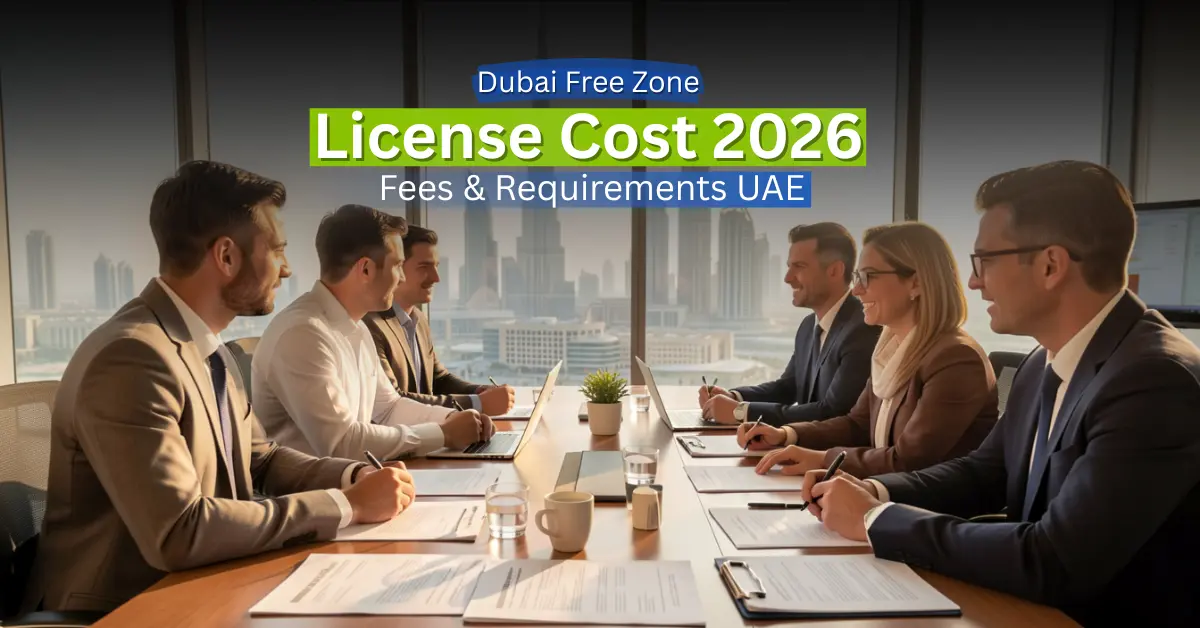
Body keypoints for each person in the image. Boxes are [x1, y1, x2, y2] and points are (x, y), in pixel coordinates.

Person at [802, 161, 1200, 625]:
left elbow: (1055, 559)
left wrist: (875, 521)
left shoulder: (1153, 380)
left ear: (1051, 265)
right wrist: (873, 490)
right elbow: (984, 473)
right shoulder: (1043, 361)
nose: (973, 281)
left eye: (984, 261)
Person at [34, 162, 418, 613]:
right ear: (227, 256)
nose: (289, 269)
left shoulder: (204, 346)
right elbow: (180, 531)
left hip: (212, 582)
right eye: (277, 250)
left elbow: (263, 458)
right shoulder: (131, 358)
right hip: (126, 607)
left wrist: (352, 476)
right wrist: (344, 505)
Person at [739, 222, 998, 478]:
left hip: (925, 513)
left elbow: (908, 460)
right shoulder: (891, 350)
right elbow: (857, 425)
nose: (857, 290)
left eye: (868, 277)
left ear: (915, 283)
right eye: (857, 277)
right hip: (879, 497)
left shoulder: (955, 360)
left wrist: (820, 459)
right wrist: (787, 435)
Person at [253, 205, 493, 461]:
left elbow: (389, 408)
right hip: (315, 496)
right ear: (365, 269)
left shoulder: (355, 326)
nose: (401, 278)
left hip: (357, 483)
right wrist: (442, 434)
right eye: (398, 265)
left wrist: (452, 419)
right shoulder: (303, 334)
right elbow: (341, 443)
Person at [699, 223, 879, 426]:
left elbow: (833, 413)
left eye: (799, 267)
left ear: (835, 271)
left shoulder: (863, 328)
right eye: (788, 267)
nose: (788, 278)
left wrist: (742, 412)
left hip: (832, 455)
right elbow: (788, 387)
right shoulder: (808, 326)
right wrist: (735, 397)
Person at [364, 224, 515, 415]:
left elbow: (438, 379)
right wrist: (477, 403)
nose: (436, 278)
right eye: (424, 267)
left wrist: (478, 392)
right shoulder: (371, 325)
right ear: (397, 268)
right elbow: (395, 402)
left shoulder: (418, 318)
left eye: (436, 266)